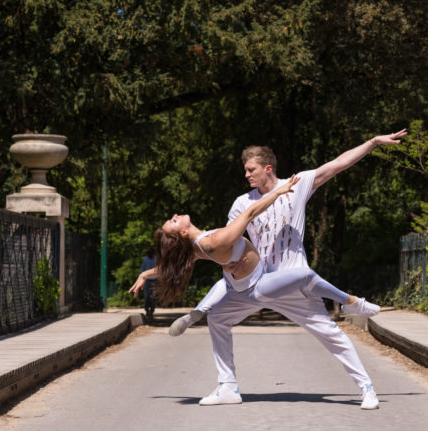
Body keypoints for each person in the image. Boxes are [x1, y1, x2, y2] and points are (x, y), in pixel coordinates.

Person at [169, 130, 407, 410]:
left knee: (332, 335)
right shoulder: (241, 203)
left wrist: (372, 143)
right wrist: (230, 262)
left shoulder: (297, 184)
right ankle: (227, 387)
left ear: (267, 168)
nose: (247, 175)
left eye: (251, 169)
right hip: (257, 284)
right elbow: (227, 241)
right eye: (245, 170)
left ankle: (366, 388)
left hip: (294, 284)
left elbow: (337, 165)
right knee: (218, 320)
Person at [129, 175, 378, 319]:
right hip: (254, 281)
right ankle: (350, 301)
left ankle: (202, 310)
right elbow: (249, 213)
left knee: (224, 285)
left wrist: (144, 274)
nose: (175, 214)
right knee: (304, 275)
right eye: (173, 221)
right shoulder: (211, 242)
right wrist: (279, 191)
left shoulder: (194, 248)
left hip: (242, 279)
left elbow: (170, 268)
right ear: (182, 232)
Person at [141, 246, 157, 318]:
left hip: (155, 280)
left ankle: (152, 311)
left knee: (153, 297)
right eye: (147, 253)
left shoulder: (156, 259)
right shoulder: (145, 259)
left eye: (150, 253)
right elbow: (142, 270)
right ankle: (147, 310)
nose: (148, 254)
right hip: (147, 281)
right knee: (146, 296)